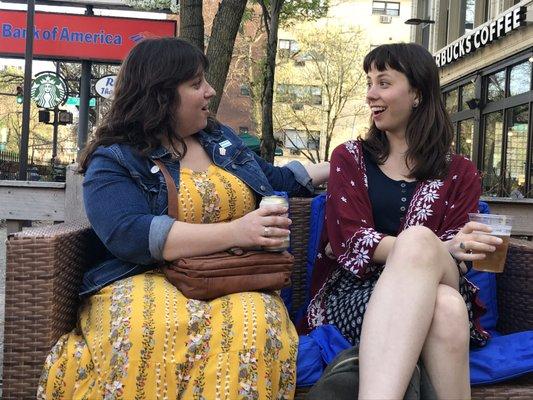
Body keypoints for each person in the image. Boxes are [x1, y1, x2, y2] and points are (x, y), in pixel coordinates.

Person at [38, 37, 329, 399]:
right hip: (142, 277)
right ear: (160, 94)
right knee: (151, 326)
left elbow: (275, 180)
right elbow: (128, 233)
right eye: (196, 84)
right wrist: (238, 232)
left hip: (234, 278)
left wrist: (343, 164)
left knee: (254, 324)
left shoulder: (220, 141)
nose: (210, 91)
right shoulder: (115, 158)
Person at [300, 43, 501, 399]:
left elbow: (460, 256)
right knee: (446, 306)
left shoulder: (460, 171)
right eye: (369, 83)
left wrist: (441, 248)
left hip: (445, 277)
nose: (370, 95)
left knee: (423, 249)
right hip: (357, 291)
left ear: (418, 94)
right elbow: (351, 240)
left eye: (383, 83)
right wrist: (431, 247)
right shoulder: (349, 157)